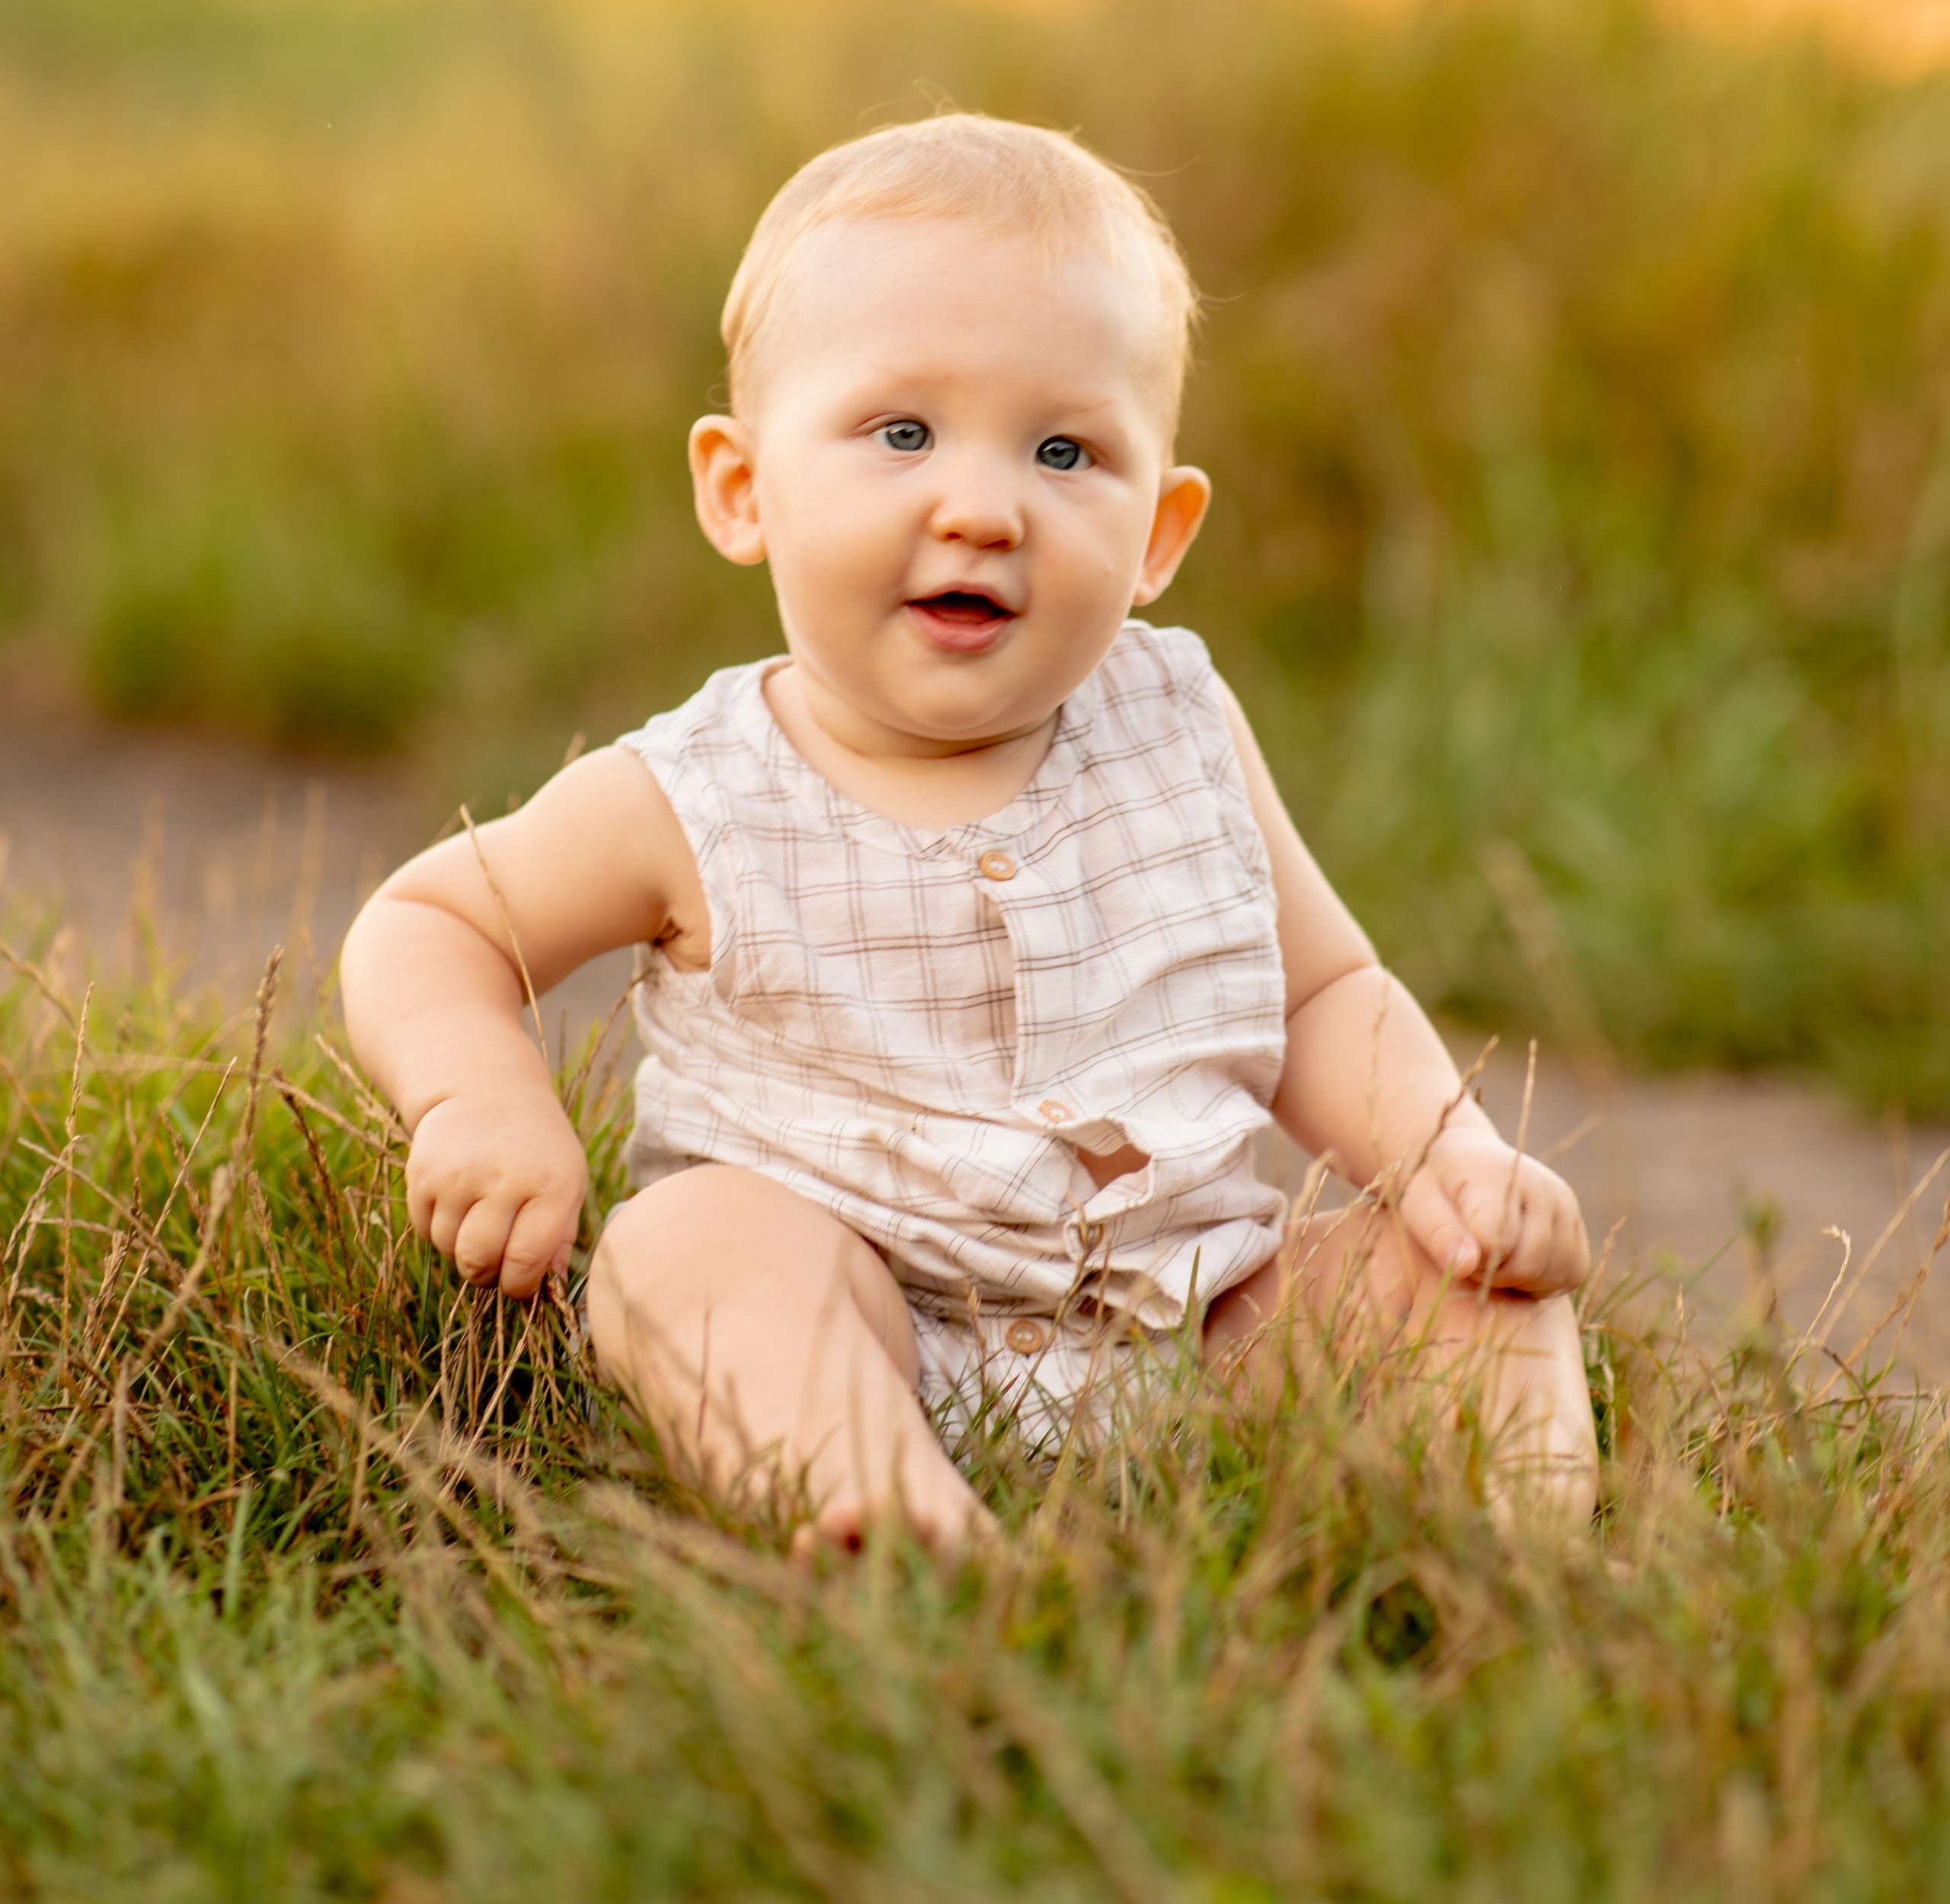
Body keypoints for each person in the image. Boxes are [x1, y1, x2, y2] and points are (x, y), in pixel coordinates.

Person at [340, 114, 1597, 1551]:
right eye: (901, 433)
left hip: (1199, 1319)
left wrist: (1448, 1159)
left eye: (1066, 451)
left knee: (1464, 1289)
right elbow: (434, 925)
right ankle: (874, 1510)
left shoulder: (1180, 723)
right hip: (857, 1310)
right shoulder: (693, 793)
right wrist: (479, 1102)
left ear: (1161, 536)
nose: (985, 507)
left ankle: (1527, 1566)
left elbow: (1318, 993)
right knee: (686, 1252)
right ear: (744, 489)